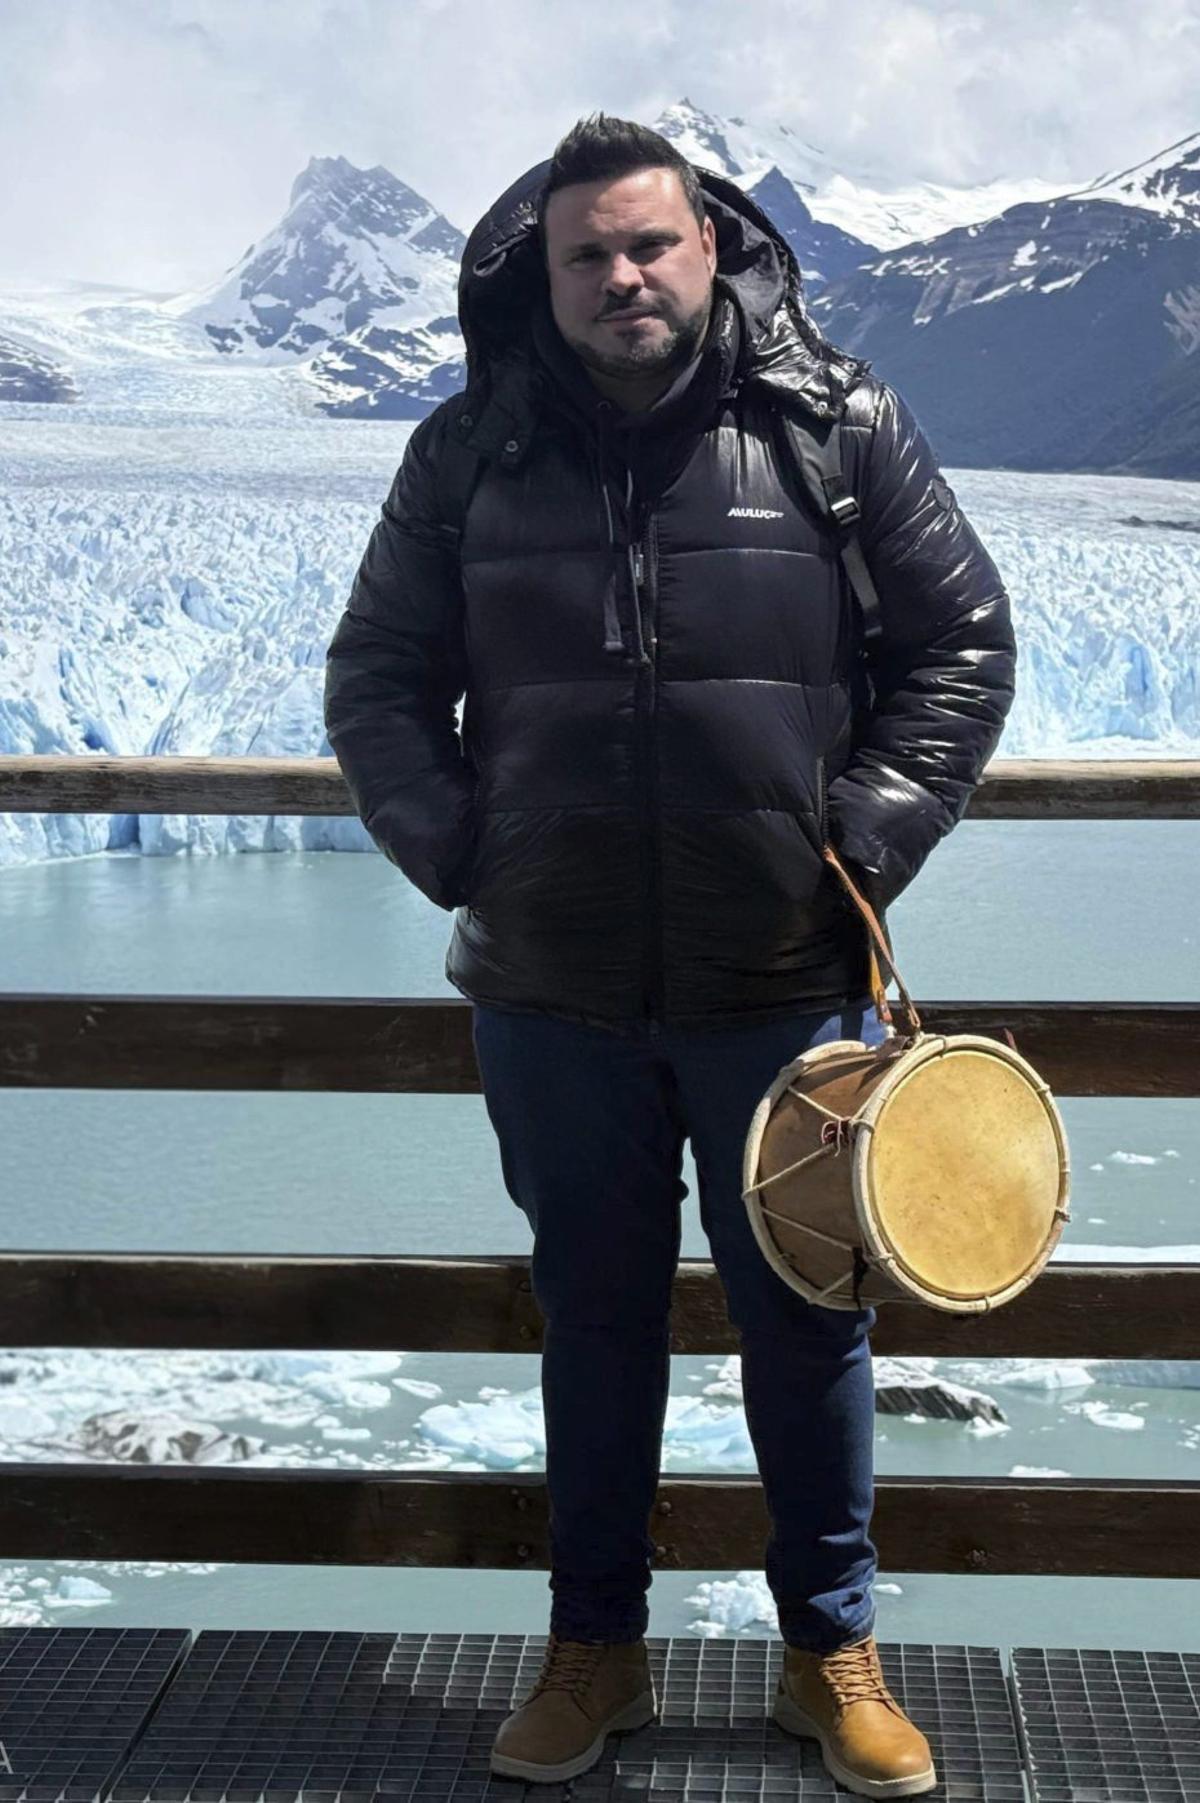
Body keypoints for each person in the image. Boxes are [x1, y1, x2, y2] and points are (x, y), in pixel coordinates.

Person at [324, 111, 1017, 1798]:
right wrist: (468, 852)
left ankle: (830, 1655)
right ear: (543, 276)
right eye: (590, 254)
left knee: (809, 1326)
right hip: (553, 991)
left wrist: (860, 835)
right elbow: (378, 683)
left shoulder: (835, 425)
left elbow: (962, 648)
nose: (624, 275)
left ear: (713, 247)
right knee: (598, 1323)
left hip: (780, 983)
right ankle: (594, 1653)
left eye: (651, 244)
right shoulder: (469, 452)